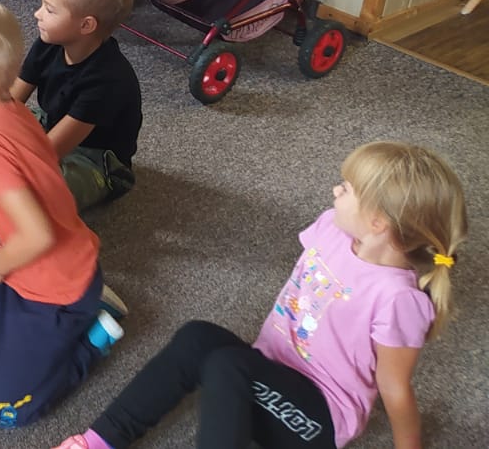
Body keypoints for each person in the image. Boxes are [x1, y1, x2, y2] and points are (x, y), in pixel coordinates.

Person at [51, 141, 469, 449]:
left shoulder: (398, 299)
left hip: (316, 419)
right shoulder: (331, 227)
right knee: (198, 338)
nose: (336, 191)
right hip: (269, 368)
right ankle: (99, 441)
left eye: (347, 188)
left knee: (228, 365)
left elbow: (395, 389)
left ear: (377, 222)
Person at [0, 0, 124, 428]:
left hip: (55, 292)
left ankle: (91, 337)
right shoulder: (10, 108)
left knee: (0, 411)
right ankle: (25, 322)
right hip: (15, 262)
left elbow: (38, 235)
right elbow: (26, 190)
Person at [11, 0, 142, 212]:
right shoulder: (48, 43)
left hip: (96, 159)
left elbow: (48, 153)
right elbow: (11, 102)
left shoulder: (106, 81)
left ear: (86, 25)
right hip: (53, 125)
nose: (37, 14)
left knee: (31, 193)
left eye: (49, 10)